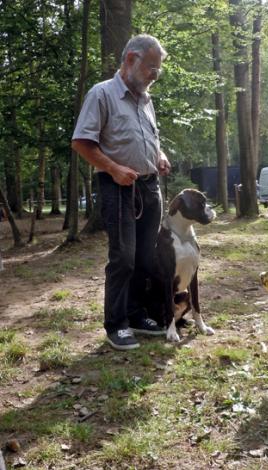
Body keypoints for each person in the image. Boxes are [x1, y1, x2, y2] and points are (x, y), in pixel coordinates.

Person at [72, 34, 171, 351]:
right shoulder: (102, 94)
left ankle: (137, 314)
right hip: (117, 188)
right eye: (151, 67)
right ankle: (116, 325)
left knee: (145, 257)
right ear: (131, 59)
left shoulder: (145, 98)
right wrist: (114, 168)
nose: (155, 74)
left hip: (149, 186)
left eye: (158, 69)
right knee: (124, 258)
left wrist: (160, 155)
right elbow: (82, 142)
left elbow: (147, 138)